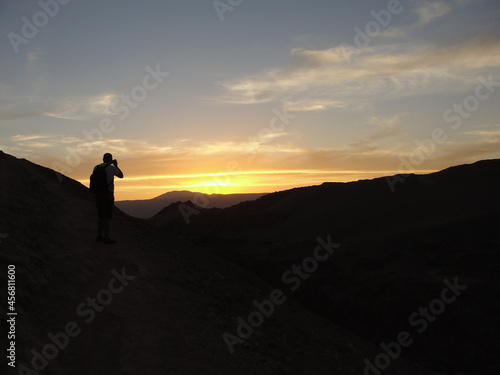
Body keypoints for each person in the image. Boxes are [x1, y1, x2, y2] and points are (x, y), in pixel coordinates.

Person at [94, 153, 123, 244]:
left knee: (100, 216)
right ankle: (106, 238)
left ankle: (99, 236)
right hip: (107, 194)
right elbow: (121, 175)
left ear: (103, 159)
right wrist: (116, 166)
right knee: (106, 217)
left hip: (98, 194)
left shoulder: (96, 167)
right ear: (110, 159)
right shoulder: (112, 168)